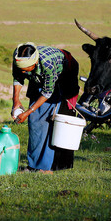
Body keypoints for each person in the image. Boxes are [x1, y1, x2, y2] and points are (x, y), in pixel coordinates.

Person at [12, 42, 80, 173]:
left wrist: (28, 111)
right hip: (37, 77)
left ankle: (46, 167)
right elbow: (18, 78)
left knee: (49, 121)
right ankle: (33, 165)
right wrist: (16, 101)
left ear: (35, 62)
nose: (23, 71)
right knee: (35, 121)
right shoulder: (18, 57)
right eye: (21, 68)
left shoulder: (48, 65)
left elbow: (47, 93)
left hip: (64, 75)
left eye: (26, 69)